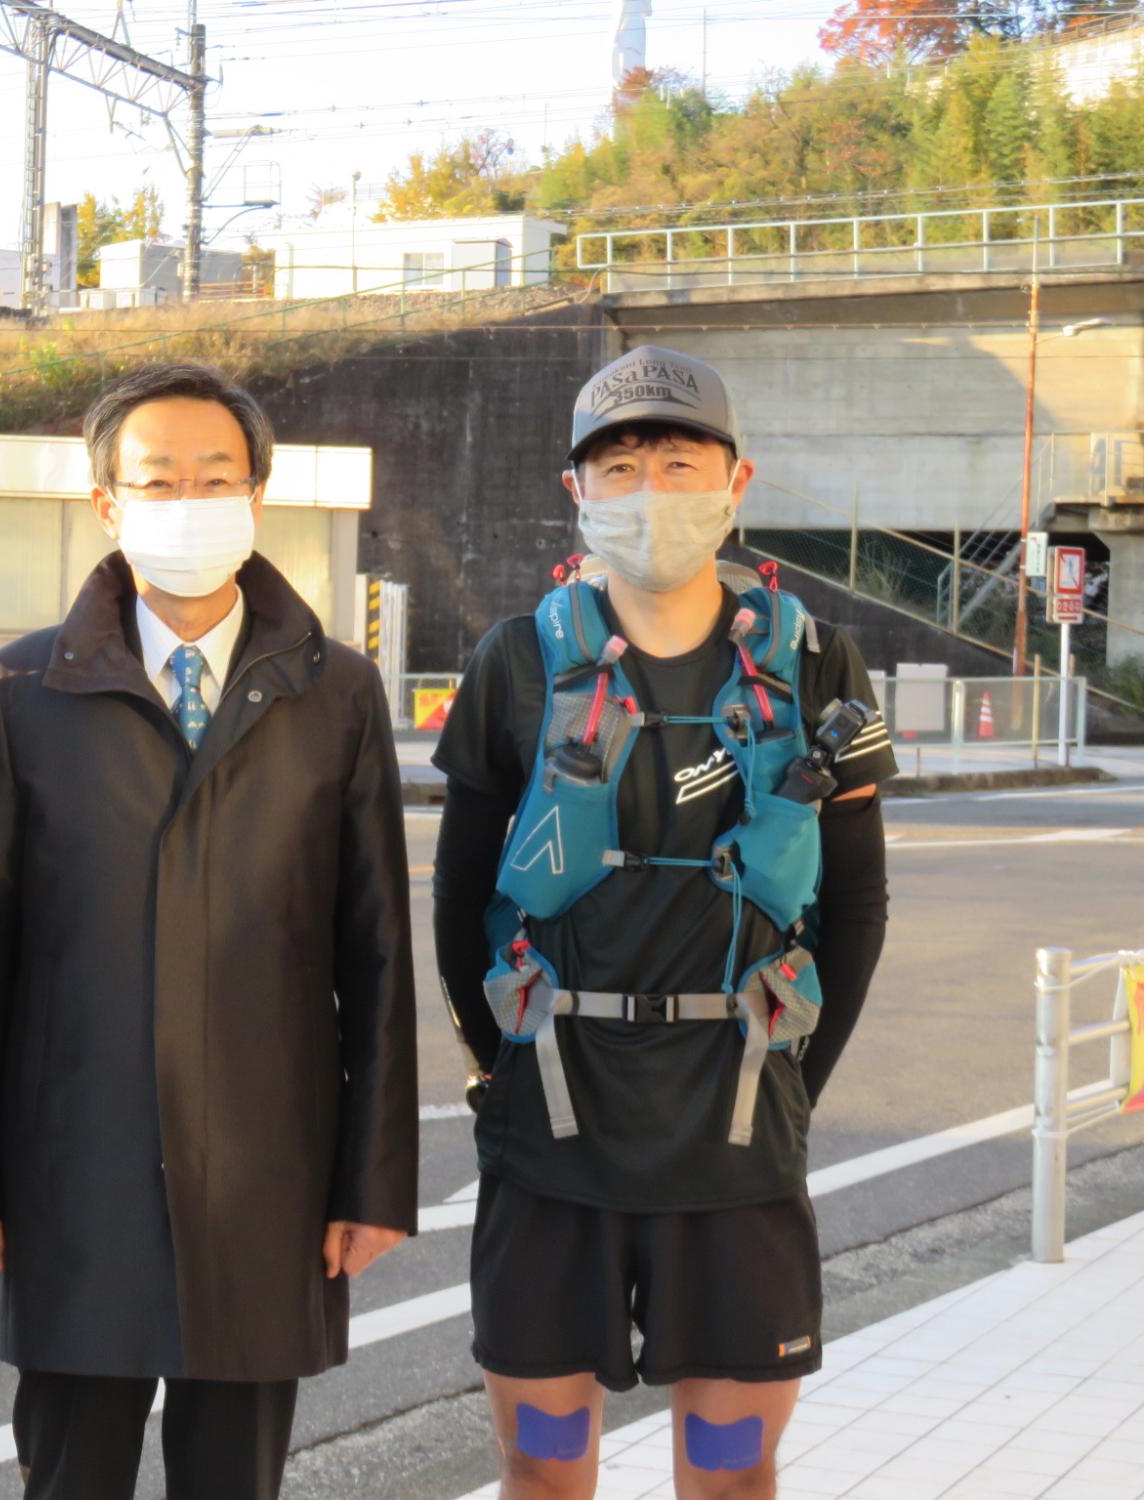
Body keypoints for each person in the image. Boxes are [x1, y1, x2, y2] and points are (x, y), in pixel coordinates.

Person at [0, 361, 419, 1500]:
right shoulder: (24, 695)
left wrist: (372, 1180)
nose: (187, 499)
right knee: (69, 1478)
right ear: (107, 502)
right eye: (157, 480)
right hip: (72, 1175)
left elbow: (378, 956)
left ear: (257, 492)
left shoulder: (336, 696)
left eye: (214, 476)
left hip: (269, 1178)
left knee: (233, 1483)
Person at [432, 345, 896, 1499]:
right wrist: (500, 1068)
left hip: (735, 1151)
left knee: (729, 1475)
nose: (649, 490)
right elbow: (456, 899)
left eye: (678, 462)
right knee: (540, 1473)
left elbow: (856, 907)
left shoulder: (814, 661)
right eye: (620, 465)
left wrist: (796, 1081)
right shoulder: (515, 661)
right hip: (550, 1145)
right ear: (576, 492)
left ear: (735, 484)